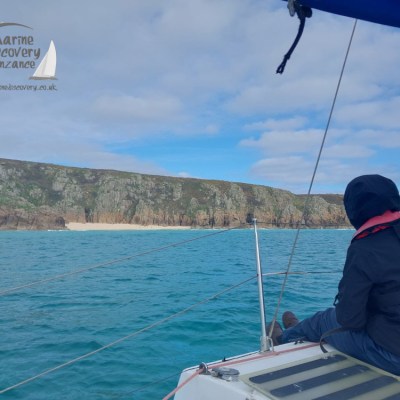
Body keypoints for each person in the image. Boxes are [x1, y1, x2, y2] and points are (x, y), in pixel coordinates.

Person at [270, 174, 400, 375]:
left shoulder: (366, 247)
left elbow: (350, 319)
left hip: (392, 355)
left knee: (324, 319)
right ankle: (299, 330)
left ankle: (285, 337)